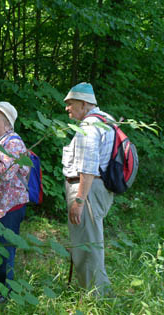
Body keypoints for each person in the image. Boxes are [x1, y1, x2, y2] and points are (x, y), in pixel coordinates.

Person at [62, 82, 115, 296]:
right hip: (98, 189)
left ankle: (95, 298)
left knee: (87, 247)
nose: (67, 108)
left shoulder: (89, 126)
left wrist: (79, 201)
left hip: (87, 190)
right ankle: (98, 292)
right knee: (91, 243)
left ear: (84, 104)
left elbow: (88, 165)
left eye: (70, 103)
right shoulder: (107, 120)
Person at [0, 102, 29, 301]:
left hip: (10, 207)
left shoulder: (13, 142)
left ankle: (4, 291)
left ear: (6, 119)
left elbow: (5, 173)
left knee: (4, 250)